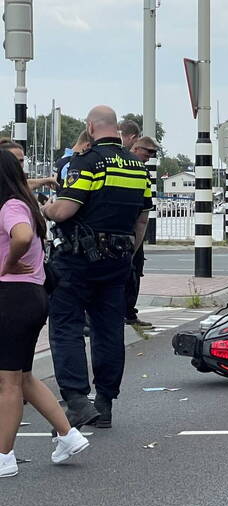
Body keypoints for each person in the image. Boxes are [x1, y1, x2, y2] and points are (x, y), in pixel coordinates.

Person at [42, 106, 152, 429]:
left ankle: (76, 399)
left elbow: (66, 209)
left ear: (91, 127)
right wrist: (128, 251)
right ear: (116, 129)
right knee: (108, 329)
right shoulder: (137, 168)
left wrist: (46, 209)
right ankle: (104, 402)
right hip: (117, 260)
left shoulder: (86, 162)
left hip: (77, 260)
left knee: (66, 325)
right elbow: (142, 218)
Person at [0, 150, 90, 477]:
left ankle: (4, 456)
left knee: (7, 381)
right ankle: (68, 435)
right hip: (32, 296)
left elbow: (20, 237)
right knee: (22, 377)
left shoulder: (10, 207)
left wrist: (9, 263)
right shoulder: (25, 204)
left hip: (13, 297)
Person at [124, 135, 160, 329]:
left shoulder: (135, 170)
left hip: (121, 229)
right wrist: (136, 246)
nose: (150, 156)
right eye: (148, 151)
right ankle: (126, 312)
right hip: (128, 229)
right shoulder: (137, 171)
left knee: (134, 272)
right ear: (135, 147)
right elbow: (143, 215)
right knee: (130, 271)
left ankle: (127, 312)